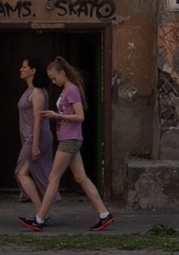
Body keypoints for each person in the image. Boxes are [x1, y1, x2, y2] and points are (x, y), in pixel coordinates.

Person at [26, 54, 113, 231]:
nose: (53, 82)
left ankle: (39, 219)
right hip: (70, 138)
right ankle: (104, 214)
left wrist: (57, 116)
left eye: (54, 78)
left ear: (62, 73)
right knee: (81, 177)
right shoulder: (67, 90)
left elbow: (80, 116)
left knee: (53, 178)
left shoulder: (71, 90)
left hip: (69, 139)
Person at [9, 55, 52, 216]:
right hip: (30, 137)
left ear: (33, 71)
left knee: (21, 173)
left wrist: (34, 145)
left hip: (35, 138)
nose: (21, 69)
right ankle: (41, 212)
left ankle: (40, 211)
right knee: (28, 172)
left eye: (24, 67)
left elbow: (37, 120)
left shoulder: (37, 92)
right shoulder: (29, 91)